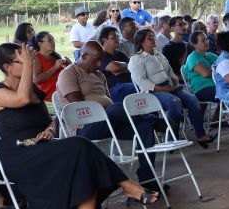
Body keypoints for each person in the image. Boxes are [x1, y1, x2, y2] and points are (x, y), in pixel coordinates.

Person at [0, 43, 159, 209]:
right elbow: (22, 100)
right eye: (24, 61)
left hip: (43, 147)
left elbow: (49, 121)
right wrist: (30, 65)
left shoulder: (34, 92)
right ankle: (127, 185)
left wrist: (48, 130)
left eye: (30, 60)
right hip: (19, 155)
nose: (31, 63)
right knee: (80, 146)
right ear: (8, 67)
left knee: (83, 163)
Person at [55, 41, 160, 190]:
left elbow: (107, 100)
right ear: (83, 56)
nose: (99, 64)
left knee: (144, 127)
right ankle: (154, 119)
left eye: (100, 60)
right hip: (84, 128)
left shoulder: (99, 75)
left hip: (109, 123)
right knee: (116, 108)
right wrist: (105, 111)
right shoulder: (69, 74)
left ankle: (147, 180)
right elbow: (78, 107)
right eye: (95, 60)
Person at [127, 29, 213, 147]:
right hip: (153, 92)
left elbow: (170, 72)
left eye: (153, 36)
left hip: (170, 88)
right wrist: (162, 89)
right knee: (175, 102)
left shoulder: (158, 54)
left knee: (193, 99)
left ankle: (201, 135)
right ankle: (171, 138)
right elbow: (141, 82)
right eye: (149, 38)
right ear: (141, 42)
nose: (153, 39)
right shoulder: (137, 59)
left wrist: (175, 83)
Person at [97, 25, 137, 104]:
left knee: (145, 86)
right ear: (104, 40)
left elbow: (133, 68)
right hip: (113, 89)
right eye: (113, 37)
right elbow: (114, 67)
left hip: (128, 85)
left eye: (118, 36)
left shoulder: (120, 54)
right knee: (139, 88)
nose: (117, 39)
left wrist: (122, 69)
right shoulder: (101, 56)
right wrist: (125, 65)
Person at [31, 31, 70, 99]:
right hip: (51, 96)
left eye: (53, 40)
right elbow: (36, 79)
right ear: (40, 44)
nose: (53, 42)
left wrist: (70, 66)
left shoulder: (56, 55)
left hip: (65, 92)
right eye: (49, 40)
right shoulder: (36, 58)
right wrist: (55, 67)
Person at [184, 31, 218, 106]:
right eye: (203, 40)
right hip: (202, 89)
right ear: (194, 44)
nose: (207, 42)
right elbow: (206, 73)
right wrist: (219, 70)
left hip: (217, 86)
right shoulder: (192, 57)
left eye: (206, 39)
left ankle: (217, 117)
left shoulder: (211, 55)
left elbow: (224, 67)